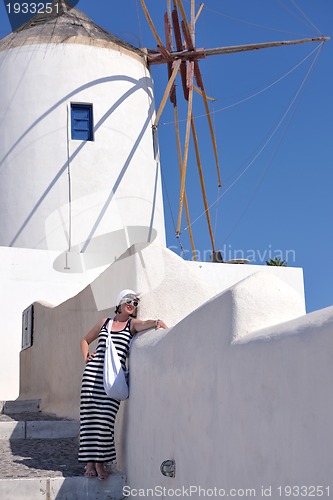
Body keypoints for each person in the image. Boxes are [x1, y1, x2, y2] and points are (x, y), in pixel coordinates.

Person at [78, 289, 168, 480]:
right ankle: (90, 464)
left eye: (135, 303)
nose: (132, 304)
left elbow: (145, 324)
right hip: (92, 375)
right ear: (119, 302)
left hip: (113, 380)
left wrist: (157, 323)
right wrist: (86, 357)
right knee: (89, 419)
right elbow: (85, 340)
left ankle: (100, 463)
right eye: (128, 300)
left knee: (105, 420)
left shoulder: (131, 324)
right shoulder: (105, 323)